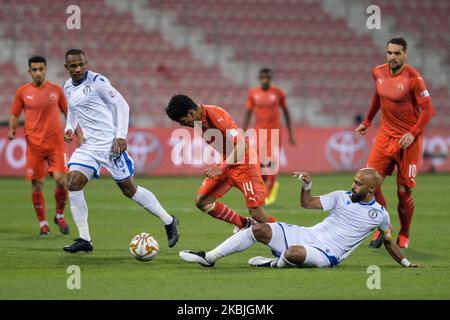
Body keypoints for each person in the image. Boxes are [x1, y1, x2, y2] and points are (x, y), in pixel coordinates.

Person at [179, 168, 419, 269]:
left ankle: (271, 263)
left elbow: (389, 242)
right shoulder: (340, 196)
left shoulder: (379, 215)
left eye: (358, 184)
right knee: (260, 229)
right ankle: (209, 257)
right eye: (354, 181)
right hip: (307, 234)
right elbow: (307, 203)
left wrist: (406, 264)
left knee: (294, 253)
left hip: (327, 253)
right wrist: (307, 185)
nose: (353, 185)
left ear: (371, 190)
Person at [62, 49, 179, 253]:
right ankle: (84, 239)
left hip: (110, 145)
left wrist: (121, 136)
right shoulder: (67, 87)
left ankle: (169, 220)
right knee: (72, 182)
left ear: (86, 63)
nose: (78, 68)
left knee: (129, 190)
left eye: (81, 64)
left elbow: (122, 105)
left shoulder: (97, 82)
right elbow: (72, 109)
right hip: (89, 146)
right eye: (73, 66)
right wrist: (69, 128)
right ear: (67, 68)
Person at [355, 38, 435, 249]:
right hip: (384, 137)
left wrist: (413, 132)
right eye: (389, 53)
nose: (392, 57)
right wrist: (367, 120)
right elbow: (378, 95)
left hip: (408, 140)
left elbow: (429, 110)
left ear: (405, 54)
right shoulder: (378, 72)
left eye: (397, 53)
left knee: (403, 191)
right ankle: (385, 228)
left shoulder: (414, 77)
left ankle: (405, 233)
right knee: (369, 183)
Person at [165, 94, 277, 231]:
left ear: (191, 113)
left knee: (256, 212)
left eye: (183, 121)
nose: (184, 125)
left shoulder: (216, 116)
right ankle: (244, 225)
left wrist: (222, 167)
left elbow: (242, 146)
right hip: (228, 162)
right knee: (202, 201)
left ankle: (287, 236)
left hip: (246, 163)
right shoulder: (198, 120)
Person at [8, 55, 76, 235]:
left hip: (55, 145)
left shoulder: (56, 90)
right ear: (29, 71)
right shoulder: (22, 92)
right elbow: (15, 114)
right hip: (34, 146)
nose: (38, 73)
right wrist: (12, 129)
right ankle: (43, 223)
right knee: (37, 184)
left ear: (46, 69)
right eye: (34, 70)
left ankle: (59, 215)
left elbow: (69, 112)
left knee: (62, 182)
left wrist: (77, 132)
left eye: (41, 69)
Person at [243, 68, 296, 205]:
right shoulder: (253, 93)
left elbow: (286, 112)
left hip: (274, 133)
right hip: (260, 132)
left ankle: (270, 192)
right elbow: (248, 112)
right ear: (260, 78)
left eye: (267, 77)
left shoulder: (278, 93)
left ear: (270, 78)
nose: (265, 79)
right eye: (263, 77)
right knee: (260, 162)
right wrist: (243, 131)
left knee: (271, 161)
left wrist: (290, 133)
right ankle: (264, 188)